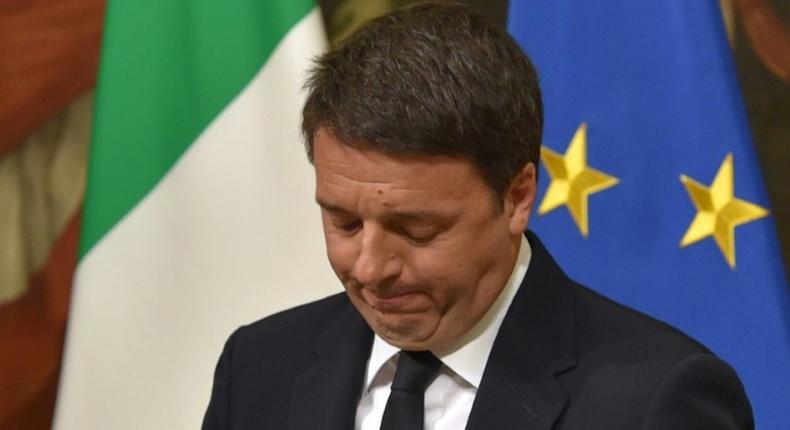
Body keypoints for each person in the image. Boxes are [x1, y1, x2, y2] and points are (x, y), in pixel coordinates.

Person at [202, 3, 754, 429]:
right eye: (344, 223)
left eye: (417, 229)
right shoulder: (258, 367)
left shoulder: (654, 401)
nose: (369, 269)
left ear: (517, 198)